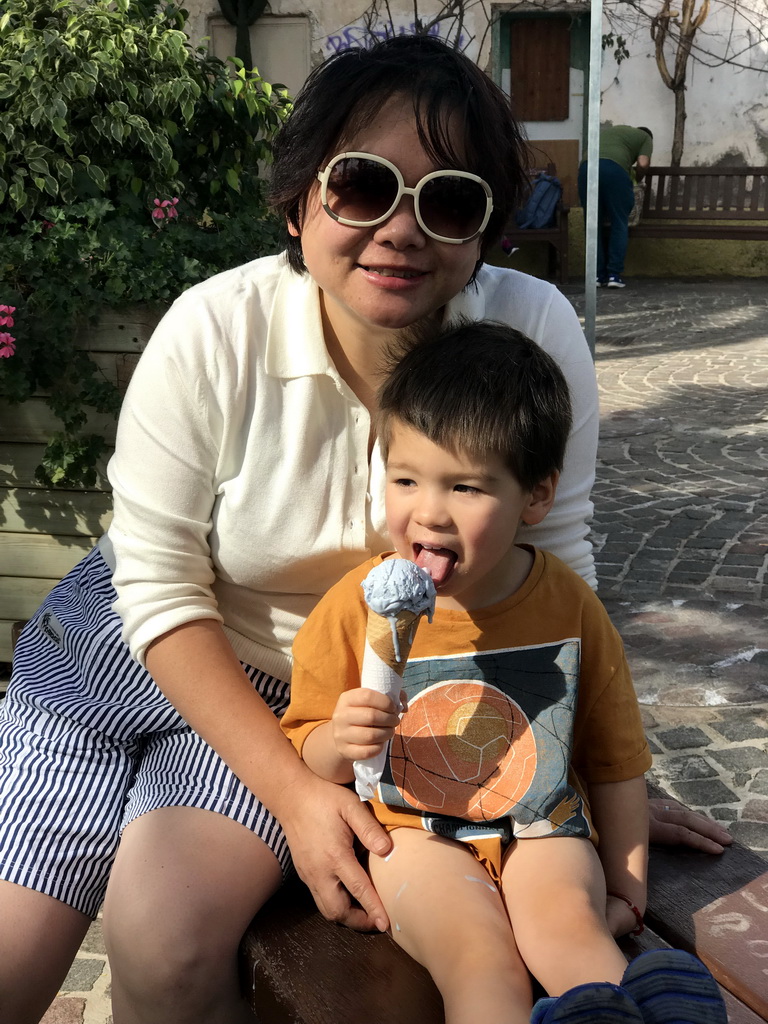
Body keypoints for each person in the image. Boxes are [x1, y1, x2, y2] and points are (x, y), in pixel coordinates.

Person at [0, 34, 725, 1024]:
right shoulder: (215, 331)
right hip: (120, 644)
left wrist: (585, 766)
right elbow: (160, 589)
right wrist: (297, 803)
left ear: (488, 229)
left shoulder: (529, 334)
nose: (400, 228)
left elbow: (554, 562)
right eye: (362, 185)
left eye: (450, 200)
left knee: (163, 942)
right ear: (300, 202)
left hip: (307, 684)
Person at [281, 322, 727, 1024]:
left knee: (570, 937)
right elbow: (309, 748)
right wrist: (341, 738)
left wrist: (628, 890)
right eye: (405, 479)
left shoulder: (566, 606)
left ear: (535, 497)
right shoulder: (354, 607)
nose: (428, 512)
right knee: (481, 961)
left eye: (464, 487)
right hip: (416, 836)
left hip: (543, 825)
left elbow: (615, 762)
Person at [577, 125, 653, 288]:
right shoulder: (646, 138)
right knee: (619, 222)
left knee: (592, 225)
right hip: (613, 171)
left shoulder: (617, 131)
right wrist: (638, 178)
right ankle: (613, 275)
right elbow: (643, 163)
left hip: (586, 168)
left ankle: (596, 276)